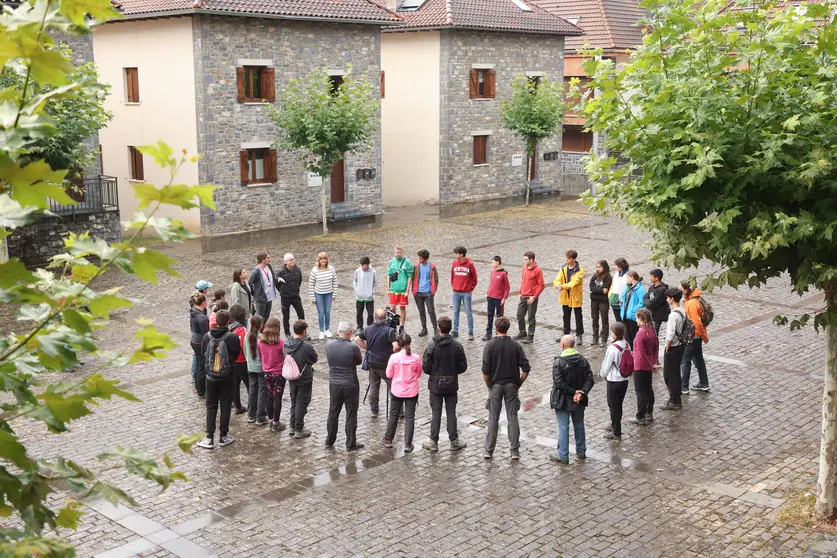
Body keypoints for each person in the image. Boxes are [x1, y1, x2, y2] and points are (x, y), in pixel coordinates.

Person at [482, 317, 530, 460]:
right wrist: (519, 383)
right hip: (511, 385)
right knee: (512, 417)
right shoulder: (515, 345)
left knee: (493, 418)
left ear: (496, 328)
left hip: (495, 385)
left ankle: (489, 450)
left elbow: (485, 372)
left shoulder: (490, 346)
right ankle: (514, 450)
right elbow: (526, 368)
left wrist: (489, 385)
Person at [421, 316, 468, 452]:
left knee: (436, 413)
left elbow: (426, 367)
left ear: (439, 328)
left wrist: (435, 373)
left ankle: (433, 441)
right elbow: (463, 366)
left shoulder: (432, 346)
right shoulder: (457, 346)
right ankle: (454, 440)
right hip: (451, 383)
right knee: (451, 412)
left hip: (436, 384)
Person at [196, 309, 241, 449]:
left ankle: (209, 437)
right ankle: (223, 436)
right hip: (227, 377)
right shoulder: (232, 338)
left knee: (211, 406)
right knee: (226, 405)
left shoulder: (207, 336)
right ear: (228, 322)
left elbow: (203, 353)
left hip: (211, 376)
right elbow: (236, 354)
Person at [549, 334, 594, 464]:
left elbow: (558, 382)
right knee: (579, 425)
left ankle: (563, 455)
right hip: (578, 400)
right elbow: (589, 379)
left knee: (564, 427)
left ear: (562, 345)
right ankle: (581, 451)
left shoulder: (559, 362)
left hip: (563, 399)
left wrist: (573, 392)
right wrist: (581, 393)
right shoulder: (583, 360)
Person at [325, 322, 364, 451]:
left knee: (333, 412)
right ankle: (350, 442)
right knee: (351, 414)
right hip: (349, 383)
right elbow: (358, 361)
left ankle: (329, 440)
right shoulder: (352, 346)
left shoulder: (329, 345)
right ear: (349, 333)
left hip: (334, 383)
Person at [381, 334, 422, 451]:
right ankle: (408, 444)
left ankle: (388, 439)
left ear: (398, 345)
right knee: (410, 417)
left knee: (393, 415)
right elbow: (419, 373)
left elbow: (388, 374)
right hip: (411, 391)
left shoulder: (394, 358)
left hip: (397, 390)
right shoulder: (416, 358)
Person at [355, 308, 397, 417]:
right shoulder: (389, 331)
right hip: (386, 364)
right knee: (393, 386)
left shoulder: (368, 329)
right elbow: (396, 347)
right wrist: (392, 354)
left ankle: (374, 410)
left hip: (372, 362)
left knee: (374, 386)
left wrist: (367, 348)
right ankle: (398, 410)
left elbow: (357, 339)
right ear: (385, 318)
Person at [284, 320, 319, 439]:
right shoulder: (306, 346)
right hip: (304, 377)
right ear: (304, 331)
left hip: (291, 376)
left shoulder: (287, 344)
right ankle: (299, 428)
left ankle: (292, 426)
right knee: (301, 402)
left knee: (294, 401)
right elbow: (314, 359)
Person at [601, 322, 630, 441]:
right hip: (624, 379)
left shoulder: (612, 348)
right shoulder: (627, 344)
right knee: (618, 405)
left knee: (613, 406)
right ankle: (614, 424)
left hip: (614, 380)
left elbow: (606, 365)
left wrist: (602, 374)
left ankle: (616, 431)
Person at [680, 281, 710, 393]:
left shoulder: (692, 303)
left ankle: (684, 386)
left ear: (686, 290)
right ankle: (704, 383)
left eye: (681, 288)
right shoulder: (694, 300)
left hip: (693, 336)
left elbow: (697, 322)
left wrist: (704, 336)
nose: (680, 290)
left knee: (686, 360)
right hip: (696, 336)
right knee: (698, 359)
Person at [257, 317, 286, 432]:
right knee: (278, 397)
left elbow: (260, 356)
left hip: (267, 372)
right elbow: (284, 356)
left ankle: (270, 420)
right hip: (279, 373)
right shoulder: (281, 342)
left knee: (269, 396)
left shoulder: (260, 342)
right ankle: (276, 422)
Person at [631, 308, 658, 425]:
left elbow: (641, 353)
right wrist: (653, 362)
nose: (636, 320)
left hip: (640, 366)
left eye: (637, 318)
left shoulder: (640, 333)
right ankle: (649, 412)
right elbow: (656, 348)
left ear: (641, 319)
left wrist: (649, 365)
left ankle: (640, 416)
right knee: (648, 389)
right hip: (649, 365)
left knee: (640, 391)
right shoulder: (652, 330)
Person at [662, 288, 687, 410]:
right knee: (675, 373)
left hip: (673, 347)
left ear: (672, 299)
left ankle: (674, 399)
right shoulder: (683, 311)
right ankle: (677, 398)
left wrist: (667, 347)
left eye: (668, 298)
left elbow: (670, 334)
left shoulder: (673, 315)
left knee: (669, 374)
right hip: (680, 346)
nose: (666, 299)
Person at [554, 250, 585, 345]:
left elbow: (573, 283)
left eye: (568, 258)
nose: (566, 260)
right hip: (565, 296)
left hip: (575, 296)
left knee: (578, 316)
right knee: (566, 316)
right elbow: (557, 279)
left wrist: (562, 286)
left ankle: (579, 335)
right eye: (566, 258)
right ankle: (565, 334)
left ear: (574, 259)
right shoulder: (563, 268)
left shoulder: (579, 270)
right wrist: (558, 285)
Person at [515, 251, 545, 344]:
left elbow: (541, 285)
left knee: (531, 317)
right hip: (523, 296)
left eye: (526, 259)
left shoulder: (538, 270)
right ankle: (522, 332)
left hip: (531, 297)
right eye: (524, 259)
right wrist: (520, 293)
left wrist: (534, 297)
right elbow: (523, 281)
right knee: (520, 315)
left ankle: (530, 336)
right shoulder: (524, 268)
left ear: (531, 260)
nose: (524, 261)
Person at [244, 315, 269, 425]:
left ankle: (251, 414)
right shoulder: (261, 338)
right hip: (260, 368)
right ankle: (261, 416)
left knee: (252, 390)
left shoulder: (246, 336)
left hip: (250, 367)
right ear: (260, 325)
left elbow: (245, 351)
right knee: (262, 392)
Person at [451, 246, 478, 340]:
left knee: (468, 312)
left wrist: (470, 288)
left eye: (457, 253)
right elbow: (452, 276)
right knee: (455, 312)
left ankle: (470, 332)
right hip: (456, 292)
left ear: (462, 254)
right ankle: (455, 331)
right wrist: (454, 286)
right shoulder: (454, 263)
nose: (456, 255)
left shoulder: (470, 264)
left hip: (466, 292)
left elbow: (475, 279)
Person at [309, 252, 338, 340]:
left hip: (329, 293)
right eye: (321, 259)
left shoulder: (331, 269)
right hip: (319, 294)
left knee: (328, 312)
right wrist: (312, 297)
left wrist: (334, 294)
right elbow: (311, 284)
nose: (323, 261)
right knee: (321, 313)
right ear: (319, 260)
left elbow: (335, 281)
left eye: (325, 259)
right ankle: (321, 330)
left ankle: (327, 329)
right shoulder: (314, 270)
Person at [412, 249, 438, 337]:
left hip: (428, 292)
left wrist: (432, 291)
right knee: (421, 311)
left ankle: (435, 329)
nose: (419, 259)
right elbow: (412, 278)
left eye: (421, 258)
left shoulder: (432, 267)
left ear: (426, 258)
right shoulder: (416, 266)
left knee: (431, 311)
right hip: (418, 292)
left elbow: (436, 279)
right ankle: (424, 329)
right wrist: (414, 290)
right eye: (419, 258)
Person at [387, 246, 413, 334]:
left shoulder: (407, 262)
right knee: (393, 307)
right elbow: (389, 276)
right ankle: (393, 324)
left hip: (403, 290)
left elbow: (410, 277)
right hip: (393, 289)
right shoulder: (391, 262)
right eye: (396, 252)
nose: (397, 254)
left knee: (402, 308)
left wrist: (407, 290)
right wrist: (388, 288)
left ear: (402, 252)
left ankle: (402, 326)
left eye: (399, 252)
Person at [228, 304, 249, 415]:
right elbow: (243, 345)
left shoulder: (229, 328)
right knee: (249, 384)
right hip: (241, 360)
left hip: (232, 361)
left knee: (235, 385)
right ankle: (252, 406)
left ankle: (238, 406)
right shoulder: (241, 329)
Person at [278, 253, 305, 338]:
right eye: (290, 260)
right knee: (286, 316)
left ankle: (303, 331)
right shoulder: (281, 272)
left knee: (301, 314)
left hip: (296, 296)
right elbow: (277, 284)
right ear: (286, 262)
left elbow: (299, 280)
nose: (292, 261)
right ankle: (287, 333)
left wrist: (296, 289)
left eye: (293, 259)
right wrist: (283, 291)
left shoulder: (297, 270)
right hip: (285, 298)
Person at [190, 280, 212, 382]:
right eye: (207, 288)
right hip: (198, 336)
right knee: (198, 358)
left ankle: (195, 375)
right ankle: (195, 375)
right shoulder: (198, 309)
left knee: (198, 357)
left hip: (196, 333)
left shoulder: (198, 301)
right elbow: (205, 333)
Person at [483, 256, 510, 341]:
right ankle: (488, 333)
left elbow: (507, 287)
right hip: (490, 297)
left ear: (498, 262)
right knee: (490, 315)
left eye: (493, 262)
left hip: (498, 298)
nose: (492, 264)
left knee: (499, 317)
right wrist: (488, 293)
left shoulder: (503, 274)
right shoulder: (493, 272)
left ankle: (499, 333)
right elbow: (491, 284)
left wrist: (504, 298)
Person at [588, 260, 612, 346]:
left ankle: (604, 339)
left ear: (604, 267)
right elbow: (591, 287)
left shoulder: (608, 277)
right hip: (594, 300)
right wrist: (601, 290)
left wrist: (598, 290)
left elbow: (606, 290)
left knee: (604, 319)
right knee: (594, 318)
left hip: (603, 301)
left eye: (599, 267)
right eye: (597, 267)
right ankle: (595, 337)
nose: (598, 269)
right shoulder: (595, 276)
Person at [248, 252, 279, 320]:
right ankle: (259, 330)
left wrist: (278, 279)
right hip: (261, 299)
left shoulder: (269, 266)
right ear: (263, 260)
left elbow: (273, 278)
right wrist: (255, 293)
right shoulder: (256, 271)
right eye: (267, 258)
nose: (269, 259)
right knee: (260, 319)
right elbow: (249, 284)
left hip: (269, 297)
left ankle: (264, 330)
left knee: (266, 318)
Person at [190, 294, 210, 397]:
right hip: (200, 343)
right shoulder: (201, 317)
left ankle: (199, 387)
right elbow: (206, 334)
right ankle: (201, 390)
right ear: (203, 303)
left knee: (199, 365)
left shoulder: (194, 311)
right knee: (202, 366)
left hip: (195, 341)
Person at [621, 271, 646, 348]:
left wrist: (633, 311)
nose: (627, 280)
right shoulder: (627, 286)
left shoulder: (640, 289)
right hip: (625, 315)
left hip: (632, 316)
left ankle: (635, 351)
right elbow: (623, 297)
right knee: (627, 336)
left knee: (634, 335)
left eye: (628, 278)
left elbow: (641, 303)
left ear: (632, 278)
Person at [644, 269, 670, 336]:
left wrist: (648, 302)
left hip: (657, 315)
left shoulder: (662, 289)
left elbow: (653, 303)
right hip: (651, 314)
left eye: (651, 277)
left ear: (656, 278)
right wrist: (648, 302)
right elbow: (645, 297)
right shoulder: (652, 287)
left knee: (654, 334)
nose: (650, 278)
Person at [353, 257, 376, 332]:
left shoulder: (373, 272)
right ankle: (359, 327)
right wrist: (356, 290)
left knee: (370, 314)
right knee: (359, 313)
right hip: (359, 297)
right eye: (362, 265)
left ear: (368, 264)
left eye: (364, 265)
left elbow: (374, 283)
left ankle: (370, 327)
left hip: (369, 297)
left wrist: (372, 292)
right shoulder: (358, 271)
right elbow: (355, 281)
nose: (363, 267)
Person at [611, 258, 630, 323]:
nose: (615, 267)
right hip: (614, 299)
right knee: (618, 320)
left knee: (623, 321)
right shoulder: (617, 273)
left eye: (616, 265)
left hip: (622, 300)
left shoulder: (628, 275)